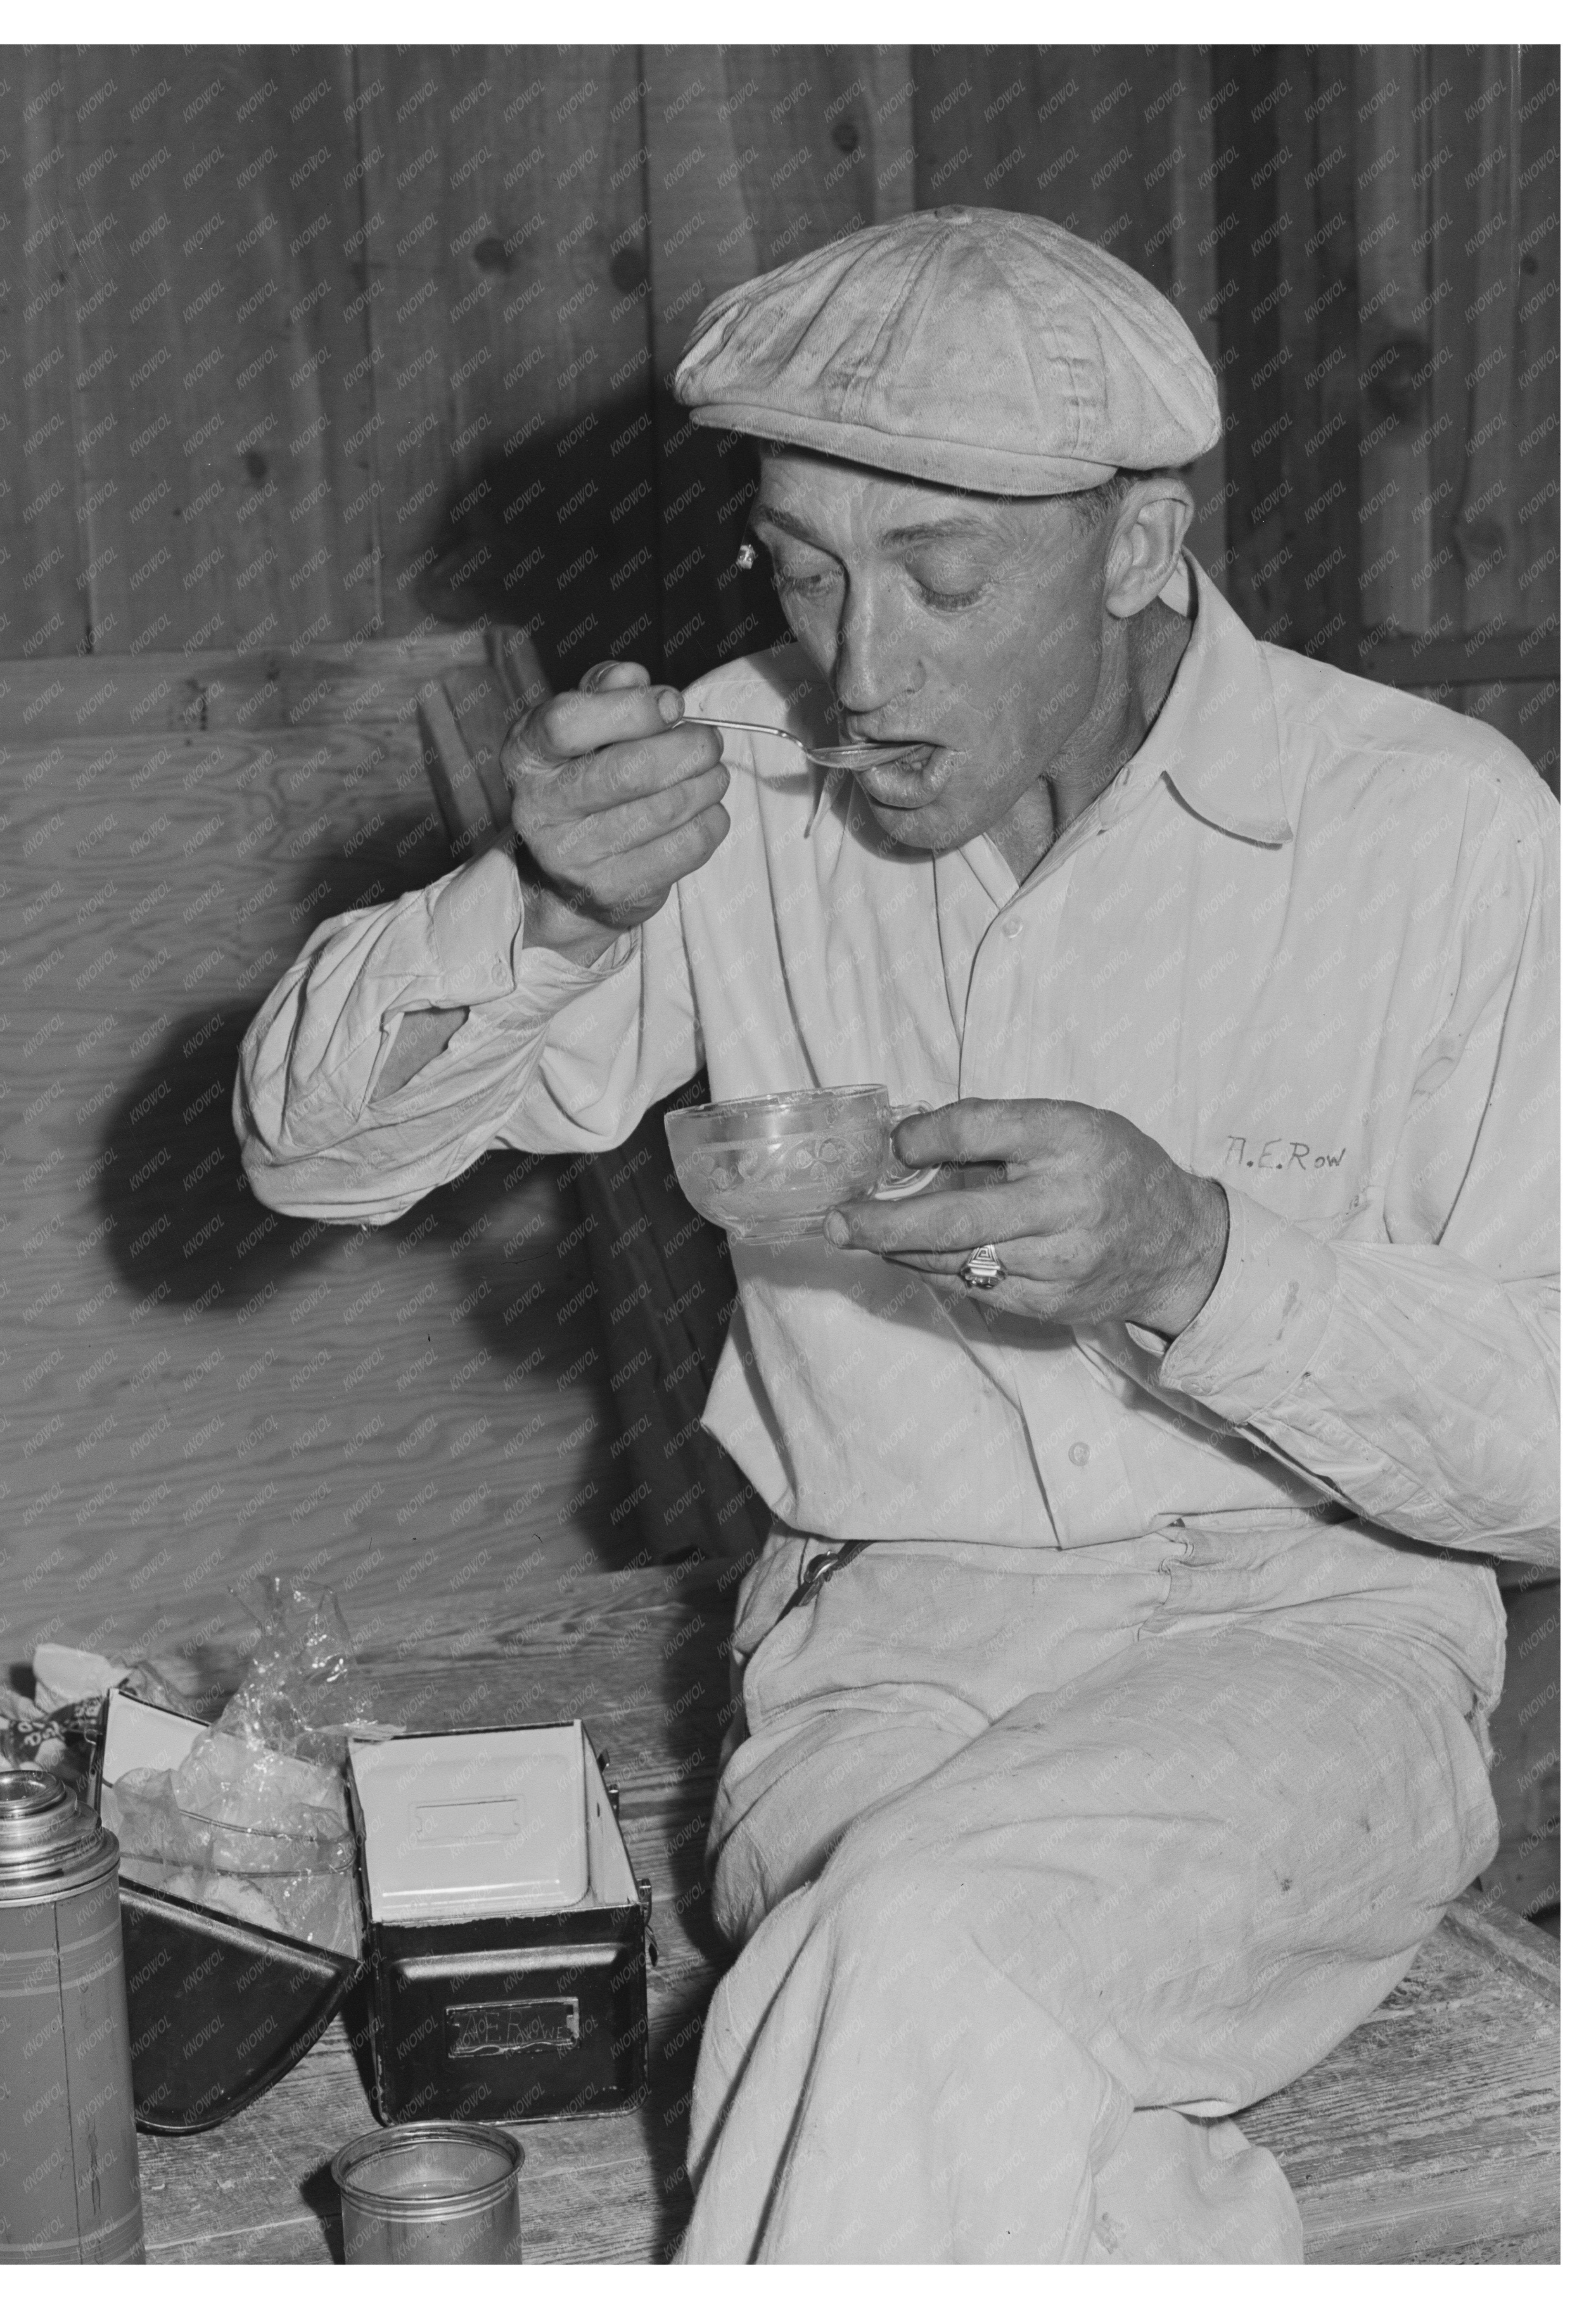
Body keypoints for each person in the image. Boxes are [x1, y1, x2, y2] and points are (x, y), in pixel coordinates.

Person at [233, 208, 1558, 2261]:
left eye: (942, 576)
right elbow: (311, 1155)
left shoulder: (1435, 834)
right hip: (879, 1652)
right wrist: (543, 904)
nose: (863, 662)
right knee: (947, 2033)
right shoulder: (729, 782)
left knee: (908, 1949)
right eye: (800, 567)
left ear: (1137, 545)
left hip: (1302, 1651)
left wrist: (1196, 1260)